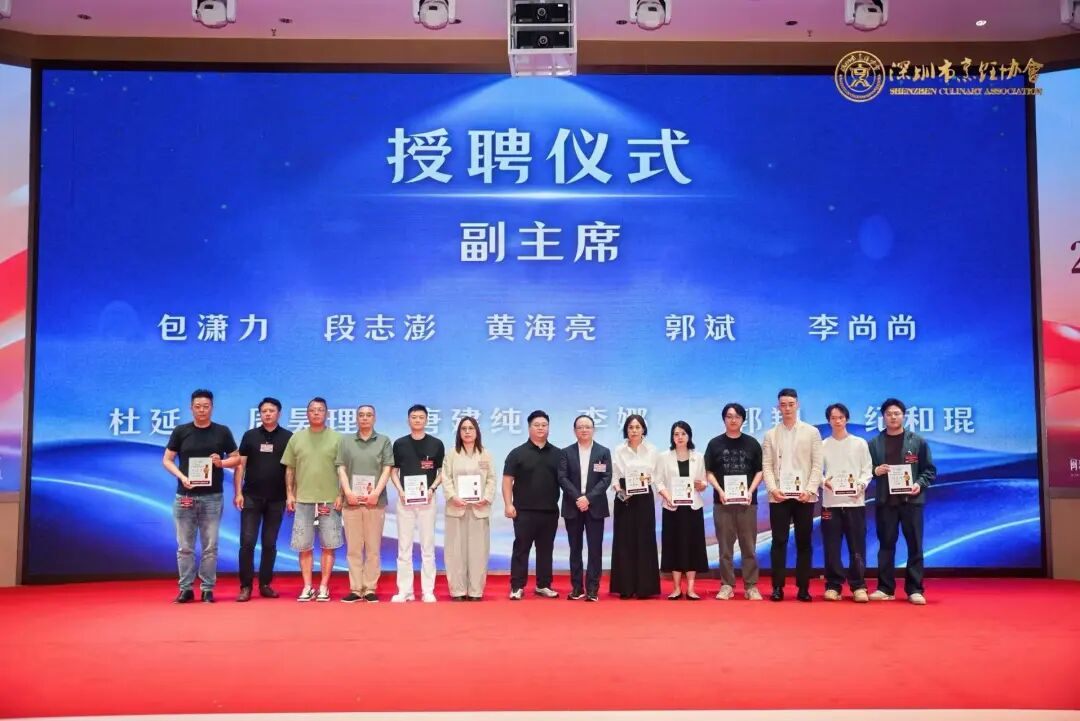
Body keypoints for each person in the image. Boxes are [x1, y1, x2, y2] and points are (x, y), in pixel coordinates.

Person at [162, 389, 239, 604]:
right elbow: (167, 460)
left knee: (210, 547)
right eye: (198, 406)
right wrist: (181, 476)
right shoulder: (181, 431)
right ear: (191, 408)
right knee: (185, 547)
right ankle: (185, 588)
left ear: (212, 408)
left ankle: (207, 589)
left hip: (212, 497)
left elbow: (236, 459)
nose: (202, 410)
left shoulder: (222, 431)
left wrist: (221, 463)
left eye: (206, 406)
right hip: (185, 496)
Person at [868, 398, 936, 605]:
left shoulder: (917, 442)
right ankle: (885, 588)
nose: (893, 417)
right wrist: (875, 470)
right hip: (886, 502)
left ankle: (915, 589)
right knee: (886, 545)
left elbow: (929, 470)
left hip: (911, 501)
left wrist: (919, 484)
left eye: (897, 413)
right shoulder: (874, 443)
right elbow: (865, 471)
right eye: (889, 414)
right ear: (883, 417)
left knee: (914, 545)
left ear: (904, 416)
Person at [762, 388, 823, 603]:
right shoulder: (770, 434)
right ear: (778, 407)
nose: (787, 408)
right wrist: (773, 489)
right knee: (779, 541)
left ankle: (803, 588)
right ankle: (777, 587)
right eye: (783, 405)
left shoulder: (812, 432)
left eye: (790, 404)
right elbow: (767, 466)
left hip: (804, 496)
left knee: (804, 542)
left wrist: (810, 489)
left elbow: (817, 465)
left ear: (797, 405)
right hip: (779, 496)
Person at [282, 397, 343, 602]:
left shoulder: (337, 438)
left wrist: (341, 495)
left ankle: (324, 586)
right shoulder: (296, 438)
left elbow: (343, 470)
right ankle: (307, 586)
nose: (316, 413)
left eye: (320, 410)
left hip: (329, 500)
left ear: (327, 413)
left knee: (329, 545)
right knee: (304, 545)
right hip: (303, 500)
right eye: (312, 410)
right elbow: (290, 468)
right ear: (307, 413)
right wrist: (290, 494)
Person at [234, 396, 292, 602]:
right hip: (251, 497)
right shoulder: (250, 436)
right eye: (264, 411)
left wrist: (290, 494)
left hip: (277, 499)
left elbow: (291, 470)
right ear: (259, 414)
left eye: (271, 411)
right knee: (247, 543)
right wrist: (238, 492)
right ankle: (245, 586)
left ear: (279, 413)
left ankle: (265, 584)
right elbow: (240, 465)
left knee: (269, 543)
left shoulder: (288, 437)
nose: (267, 414)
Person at [704, 403, 764, 601]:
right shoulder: (714, 444)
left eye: (737, 416)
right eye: (729, 416)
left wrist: (750, 491)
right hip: (722, 503)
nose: (733, 420)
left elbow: (760, 471)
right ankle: (727, 585)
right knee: (725, 548)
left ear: (743, 420)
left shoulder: (752, 444)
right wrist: (720, 490)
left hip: (747, 503)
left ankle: (751, 586)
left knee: (749, 547)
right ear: (724, 419)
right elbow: (709, 472)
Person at [335, 404, 393, 603]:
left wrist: (376, 493)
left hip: (374, 502)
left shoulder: (383, 441)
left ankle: (370, 588)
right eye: (361, 415)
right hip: (351, 502)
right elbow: (341, 468)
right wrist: (348, 492)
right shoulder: (346, 441)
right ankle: (355, 588)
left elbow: (387, 469)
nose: (365, 418)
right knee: (353, 548)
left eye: (369, 415)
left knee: (373, 548)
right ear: (356, 418)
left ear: (374, 418)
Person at [503, 410, 561, 600]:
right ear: (529, 428)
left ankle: (543, 585)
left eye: (544, 425)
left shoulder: (558, 454)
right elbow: (507, 480)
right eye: (537, 425)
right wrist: (508, 504)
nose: (540, 428)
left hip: (549, 511)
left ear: (549, 427)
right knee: (521, 549)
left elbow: (566, 482)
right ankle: (517, 586)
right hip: (523, 511)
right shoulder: (517, 453)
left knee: (546, 550)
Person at [391, 404, 446, 603]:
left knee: (427, 546)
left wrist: (432, 489)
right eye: (414, 417)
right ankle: (405, 591)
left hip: (427, 501)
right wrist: (401, 491)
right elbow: (393, 471)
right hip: (405, 501)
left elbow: (442, 472)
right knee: (404, 546)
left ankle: (427, 590)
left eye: (421, 417)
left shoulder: (436, 444)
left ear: (426, 420)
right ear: (408, 420)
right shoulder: (399, 444)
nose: (417, 420)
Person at [556, 414, 612, 602]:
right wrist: (578, 498)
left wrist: (588, 498)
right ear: (574, 431)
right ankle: (577, 588)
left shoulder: (603, 452)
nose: (584, 430)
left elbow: (606, 478)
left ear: (593, 429)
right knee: (575, 549)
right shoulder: (566, 452)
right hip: (573, 506)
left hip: (595, 506)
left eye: (587, 426)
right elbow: (562, 478)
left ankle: (593, 589)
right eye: (580, 427)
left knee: (595, 549)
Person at [820, 403, 873, 603]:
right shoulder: (822, 445)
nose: (837, 421)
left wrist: (861, 484)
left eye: (841, 417)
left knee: (857, 546)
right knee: (831, 547)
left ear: (847, 419)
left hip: (855, 503)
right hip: (830, 503)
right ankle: (833, 586)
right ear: (829, 421)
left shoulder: (859, 443)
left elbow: (867, 469)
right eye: (833, 418)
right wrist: (824, 482)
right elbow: (816, 471)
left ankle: (858, 586)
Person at [442, 416, 497, 601]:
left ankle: (475, 591)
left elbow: (491, 479)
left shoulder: (485, 454)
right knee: (455, 551)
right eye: (463, 428)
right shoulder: (452, 454)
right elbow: (446, 478)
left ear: (477, 432)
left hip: (478, 509)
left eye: (471, 428)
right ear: (459, 432)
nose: (467, 432)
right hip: (456, 509)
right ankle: (457, 590)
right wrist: (453, 497)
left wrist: (486, 498)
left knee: (478, 552)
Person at [610, 414, 661, 599]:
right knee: (624, 540)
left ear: (643, 429)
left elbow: (656, 475)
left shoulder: (652, 450)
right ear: (626, 430)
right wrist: (621, 492)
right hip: (624, 497)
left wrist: (646, 480)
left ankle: (644, 588)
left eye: (637, 427)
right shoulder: (619, 450)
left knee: (644, 539)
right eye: (630, 427)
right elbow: (614, 476)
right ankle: (625, 587)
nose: (634, 431)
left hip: (644, 496)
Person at [657, 421, 709, 600]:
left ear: (689, 436)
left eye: (683, 434)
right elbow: (659, 481)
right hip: (672, 508)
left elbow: (704, 481)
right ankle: (676, 588)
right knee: (674, 546)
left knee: (693, 546)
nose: (679, 437)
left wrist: (702, 485)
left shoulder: (698, 457)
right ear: (672, 437)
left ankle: (691, 589)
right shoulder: (664, 457)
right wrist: (667, 496)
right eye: (676, 434)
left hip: (693, 508)